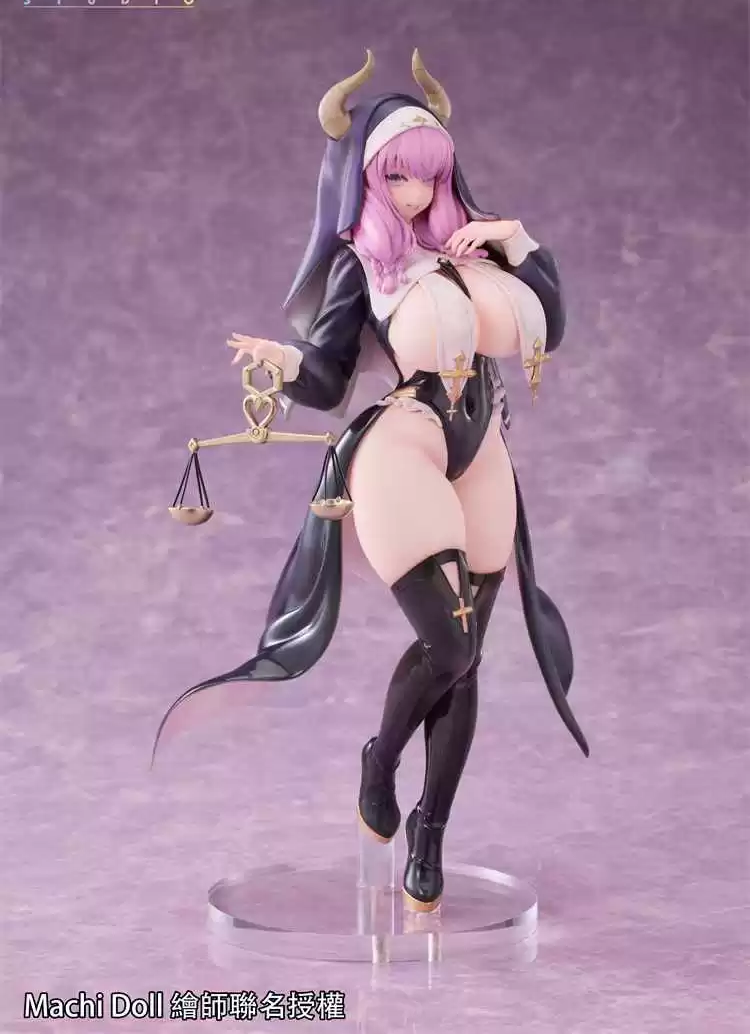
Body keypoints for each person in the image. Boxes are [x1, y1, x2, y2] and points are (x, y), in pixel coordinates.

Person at [154, 50, 589, 913]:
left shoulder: (474, 245)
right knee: (450, 646)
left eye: (429, 176)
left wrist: (516, 240)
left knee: (468, 661)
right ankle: (379, 761)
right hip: (406, 439)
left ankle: (431, 833)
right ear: (368, 177)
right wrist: (284, 361)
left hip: (482, 447)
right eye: (398, 178)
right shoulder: (366, 262)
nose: (416, 194)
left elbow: (553, 325)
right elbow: (325, 380)